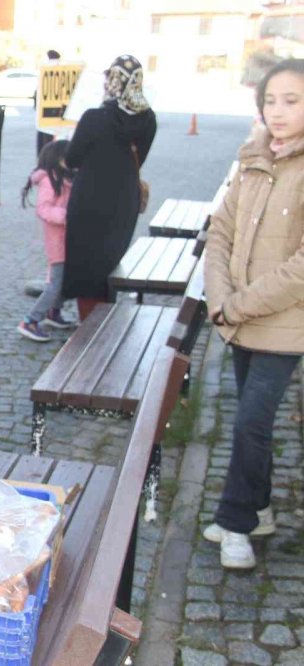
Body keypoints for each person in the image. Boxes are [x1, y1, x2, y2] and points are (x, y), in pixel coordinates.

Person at [202, 58, 304, 570]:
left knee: (249, 424)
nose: (279, 111)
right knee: (252, 424)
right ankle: (260, 508)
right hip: (240, 321)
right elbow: (220, 231)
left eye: (293, 100)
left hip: (285, 327)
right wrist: (219, 295)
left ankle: (236, 521)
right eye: (270, 100)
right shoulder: (253, 160)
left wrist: (237, 304)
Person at [62, 54, 156, 321]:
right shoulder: (148, 119)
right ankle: (107, 317)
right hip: (123, 200)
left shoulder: (94, 117)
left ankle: (89, 324)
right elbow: (140, 159)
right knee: (110, 262)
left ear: (112, 81)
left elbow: (72, 158)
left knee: (85, 266)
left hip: (88, 201)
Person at [17, 140, 76, 342]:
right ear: (59, 159)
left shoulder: (65, 179)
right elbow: (43, 209)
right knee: (56, 284)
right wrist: (67, 215)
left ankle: (54, 313)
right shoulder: (50, 181)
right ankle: (30, 320)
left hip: (68, 241)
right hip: (58, 243)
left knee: (65, 282)